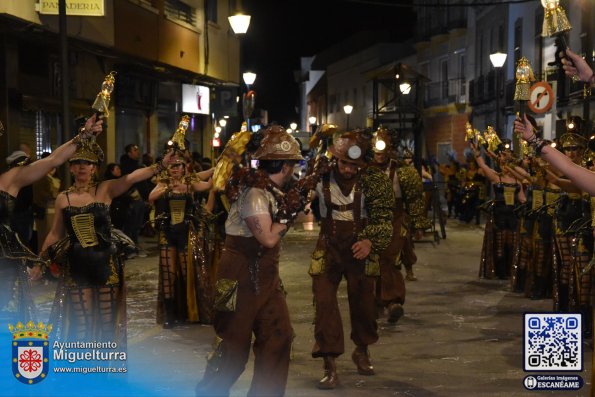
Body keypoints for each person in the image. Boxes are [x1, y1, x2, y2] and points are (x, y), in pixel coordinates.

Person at [196, 125, 300, 397]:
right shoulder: (253, 192)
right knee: (232, 345)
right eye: (293, 164)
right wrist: (289, 215)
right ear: (286, 166)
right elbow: (267, 238)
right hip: (234, 275)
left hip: (266, 275)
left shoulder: (270, 191)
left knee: (280, 336)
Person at [37, 139, 173, 345]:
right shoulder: (63, 198)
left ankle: (105, 373)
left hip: (106, 265)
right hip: (77, 266)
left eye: (88, 163)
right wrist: (40, 262)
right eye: (78, 163)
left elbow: (133, 177)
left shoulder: (105, 189)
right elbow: (54, 234)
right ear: (72, 168)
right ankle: (83, 372)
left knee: (107, 325)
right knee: (81, 325)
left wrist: (160, 165)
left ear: (94, 168)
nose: (83, 166)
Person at [307, 130, 393, 389]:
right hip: (329, 247)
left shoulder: (375, 182)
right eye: (343, 163)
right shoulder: (319, 176)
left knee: (365, 305)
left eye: (353, 165)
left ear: (362, 164)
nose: (346, 169)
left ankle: (362, 350)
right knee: (324, 304)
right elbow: (297, 199)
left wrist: (370, 242)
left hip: (360, 248)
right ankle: (329, 363)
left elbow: (385, 220)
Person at [0, 115, 103, 323]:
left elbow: (53, 160)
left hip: (4, 263)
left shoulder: (8, 179)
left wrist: (83, 135)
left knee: (7, 321)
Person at [369, 128, 430, 326]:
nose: (378, 155)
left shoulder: (404, 172)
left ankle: (393, 301)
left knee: (389, 259)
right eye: (375, 151)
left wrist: (419, 224)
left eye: (382, 151)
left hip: (395, 220)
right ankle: (377, 301)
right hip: (371, 221)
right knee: (373, 262)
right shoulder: (364, 170)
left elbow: (414, 200)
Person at [148, 152, 214, 328]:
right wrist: (168, 186)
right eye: (172, 166)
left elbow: (208, 184)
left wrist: (219, 168)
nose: (175, 169)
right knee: (168, 274)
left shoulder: (190, 183)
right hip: (167, 232)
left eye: (179, 166)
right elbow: (151, 197)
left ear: (184, 168)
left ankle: (188, 312)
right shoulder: (163, 183)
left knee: (187, 273)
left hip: (186, 232)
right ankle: (170, 316)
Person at [471, 139, 526, 280]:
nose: (503, 165)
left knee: (511, 244)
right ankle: (500, 272)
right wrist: (477, 155)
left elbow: (522, 199)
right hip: (499, 215)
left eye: (506, 162)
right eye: (501, 162)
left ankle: (509, 271)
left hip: (513, 216)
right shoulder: (496, 177)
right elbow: (483, 166)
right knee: (500, 245)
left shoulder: (517, 180)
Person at [32, 152, 61, 253]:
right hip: (45, 210)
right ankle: (43, 260)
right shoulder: (40, 176)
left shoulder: (53, 175)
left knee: (53, 235)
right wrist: (54, 196)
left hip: (54, 209)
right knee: (45, 236)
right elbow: (40, 194)